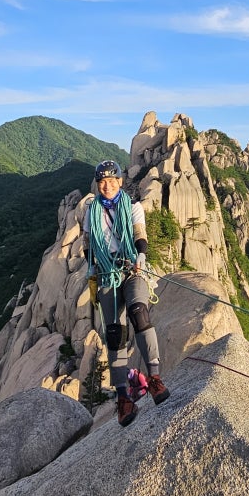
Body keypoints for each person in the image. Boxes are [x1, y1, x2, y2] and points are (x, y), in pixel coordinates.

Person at [82, 159, 170, 426]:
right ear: (98, 185)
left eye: (111, 181)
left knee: (138, 312)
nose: (107, 186)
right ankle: (123, 397)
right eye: (102, 182)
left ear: (120, 182)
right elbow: (88, 243)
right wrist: (92, 267)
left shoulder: (132, 207)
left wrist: (141, 256)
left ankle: (154, 378)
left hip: (131, 268)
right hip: (107, 273)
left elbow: (139, 235)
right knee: (114, 333)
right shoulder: (91, 211)